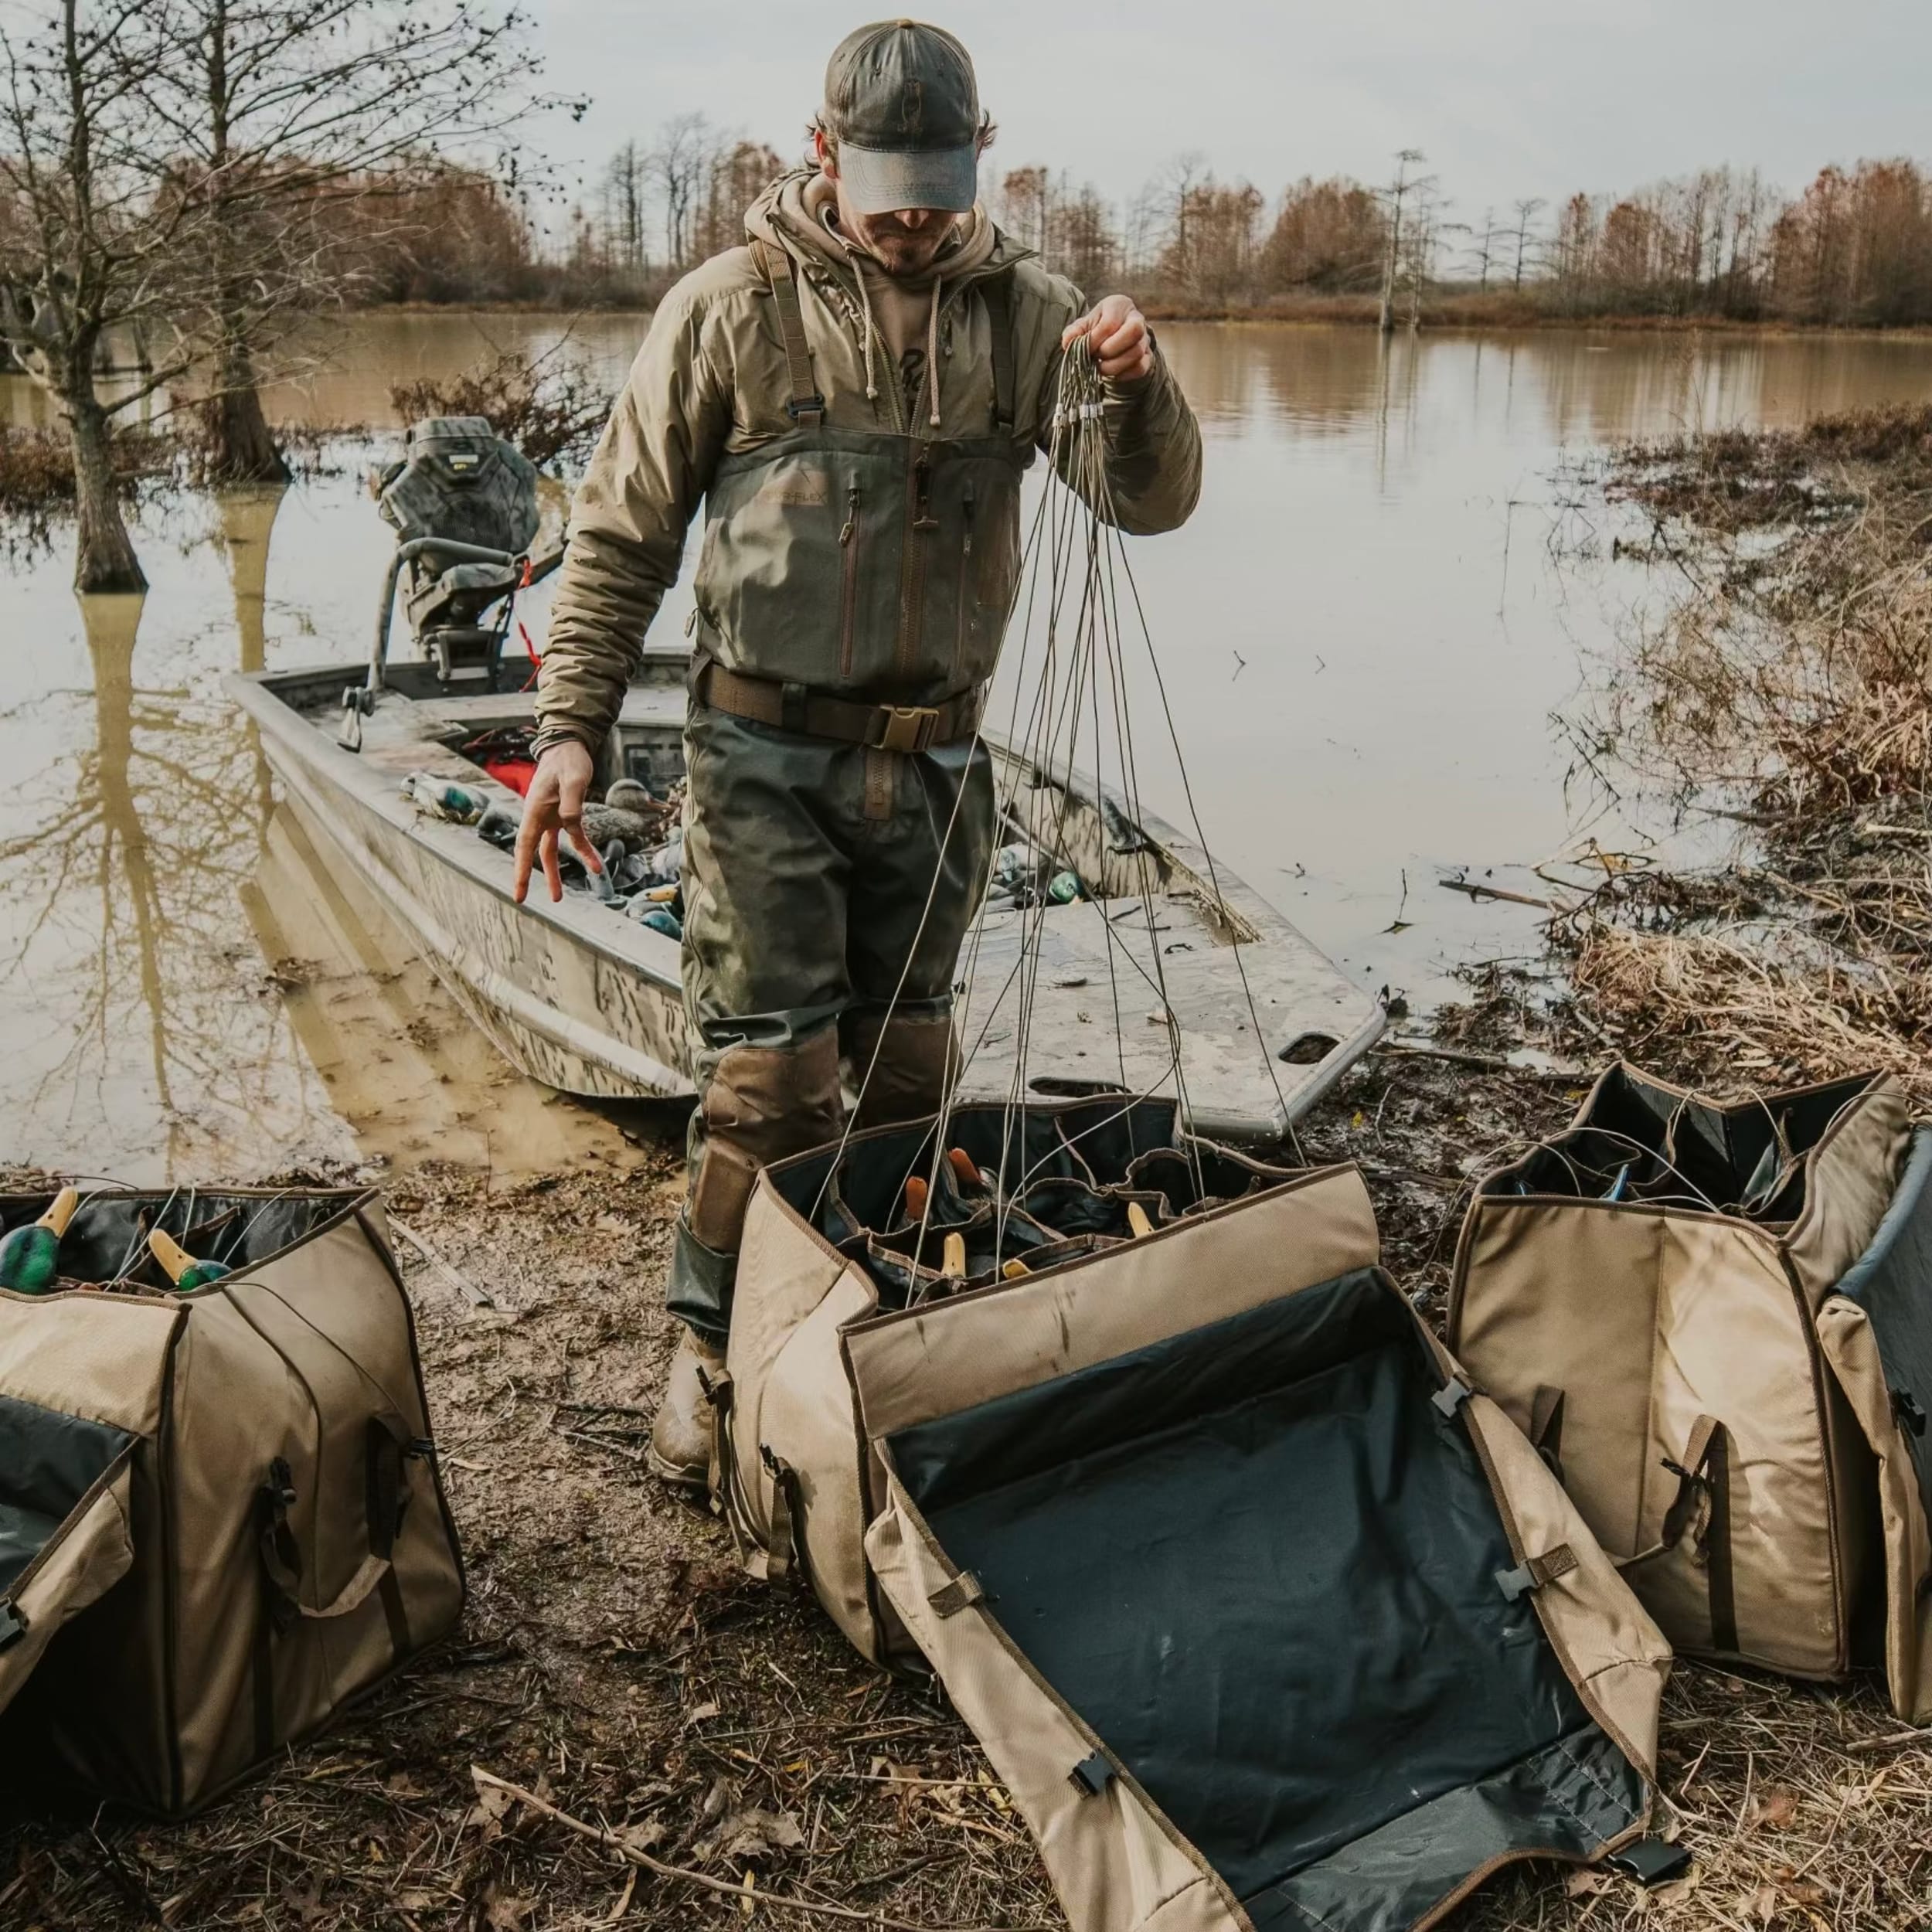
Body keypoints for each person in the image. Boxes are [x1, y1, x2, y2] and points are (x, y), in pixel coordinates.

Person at [516, 19, 1202, 1487]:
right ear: (818, 154)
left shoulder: (1036, 318)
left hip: (941, 769)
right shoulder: (727, 310)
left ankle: (875, 1333)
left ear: (978, 158)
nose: (912, 209)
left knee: (906, 1078)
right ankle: (706, 1360)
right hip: (763, 758)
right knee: (771, 1089)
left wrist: (1140, 390)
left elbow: (1148, 503)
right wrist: (571, 729)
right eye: (885, 175)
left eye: (938, 178)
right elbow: (621, 533)